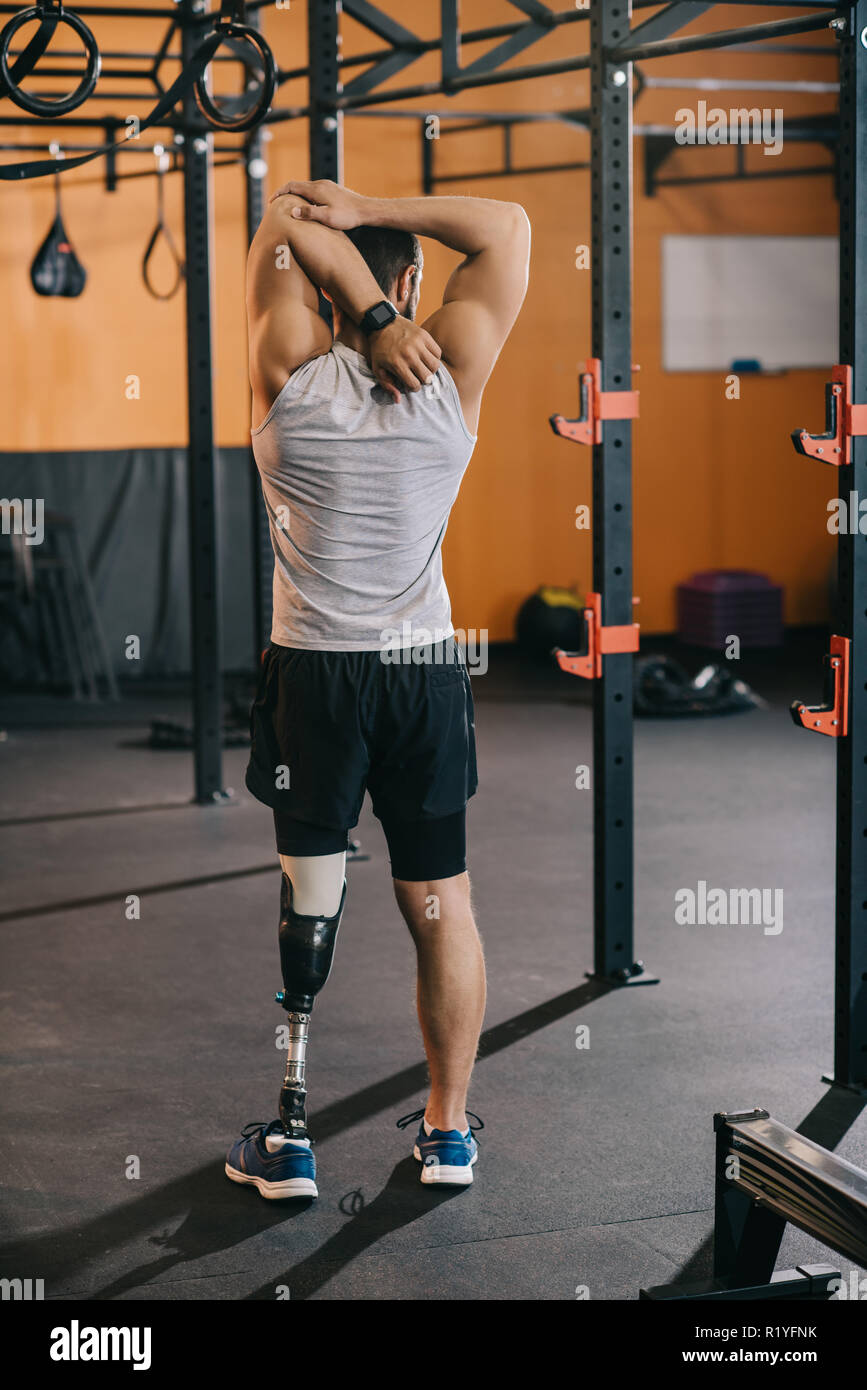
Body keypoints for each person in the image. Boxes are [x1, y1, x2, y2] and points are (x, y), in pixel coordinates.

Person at [225, 179, 530, 1199]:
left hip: (313, 671)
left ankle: (293, 1137)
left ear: (323, 294)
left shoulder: (287, 376)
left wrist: (357, 293)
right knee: (440, 899)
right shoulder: (452, 383)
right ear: (411, 280)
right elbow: (510, 229)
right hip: (422, 673)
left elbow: (280, 223)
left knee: (312, 890)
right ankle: (446, 1132)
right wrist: (377, 224)